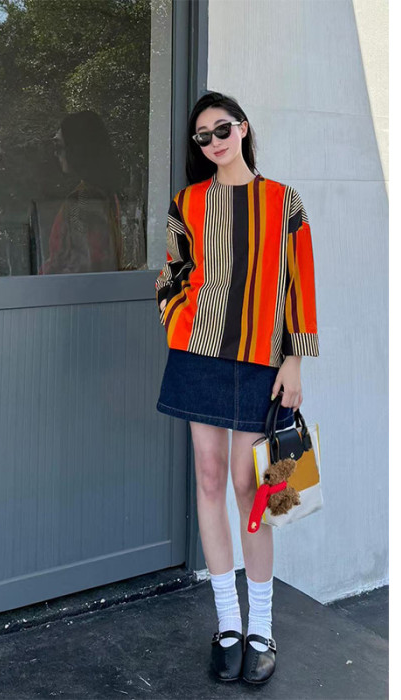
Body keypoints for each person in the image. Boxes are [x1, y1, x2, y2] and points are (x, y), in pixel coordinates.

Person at [154, 91, 319, 685]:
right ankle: (228, 623)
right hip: (197, 355)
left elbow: (300, 281)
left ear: (243, 128)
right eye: (202, 136)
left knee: (253, 488)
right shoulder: (188, 201)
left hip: (259, 361)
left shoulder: (283, 200)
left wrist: (294, 359)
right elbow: (172, 273)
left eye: (222, 129)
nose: (214, 142)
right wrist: (178, 319)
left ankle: (261, 628)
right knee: (207, 476)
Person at [38, 111, 123, 275]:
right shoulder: (104, 195)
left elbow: (84, 265)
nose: (56, 154)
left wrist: (44, 278)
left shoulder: (84, 200)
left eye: (59, 146)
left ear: (77, 148)